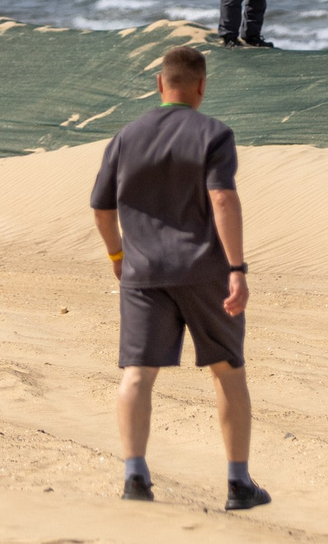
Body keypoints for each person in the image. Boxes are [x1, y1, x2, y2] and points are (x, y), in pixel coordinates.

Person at [89, 43, 266, 511]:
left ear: (160, 84)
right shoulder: (214, 134)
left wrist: (117, 255)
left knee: (137, 374)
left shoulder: (126, 136)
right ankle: (238, 483)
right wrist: (237, 269)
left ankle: (135, 475)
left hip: (143, 272)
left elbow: (102, 209)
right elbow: (223, 199)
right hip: (205, 271)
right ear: (202, 87)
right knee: (227, 370)